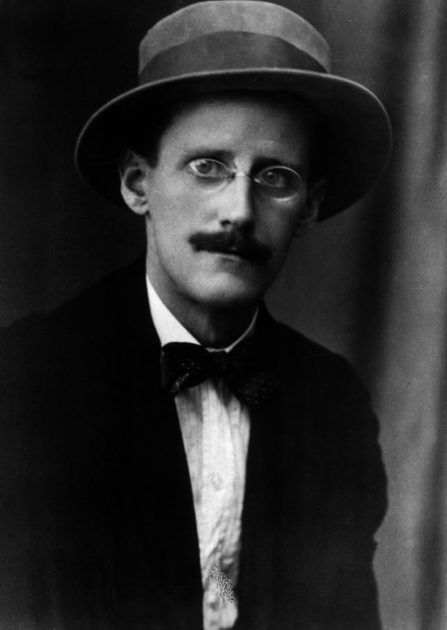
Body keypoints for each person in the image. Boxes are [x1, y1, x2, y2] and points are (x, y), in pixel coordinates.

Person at [0, 1, 391, 629]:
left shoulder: (333, 403)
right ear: (137, 183)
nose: (238, 209)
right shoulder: (26, 382)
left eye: (276, 177)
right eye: (208, 167)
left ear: (310, 208)